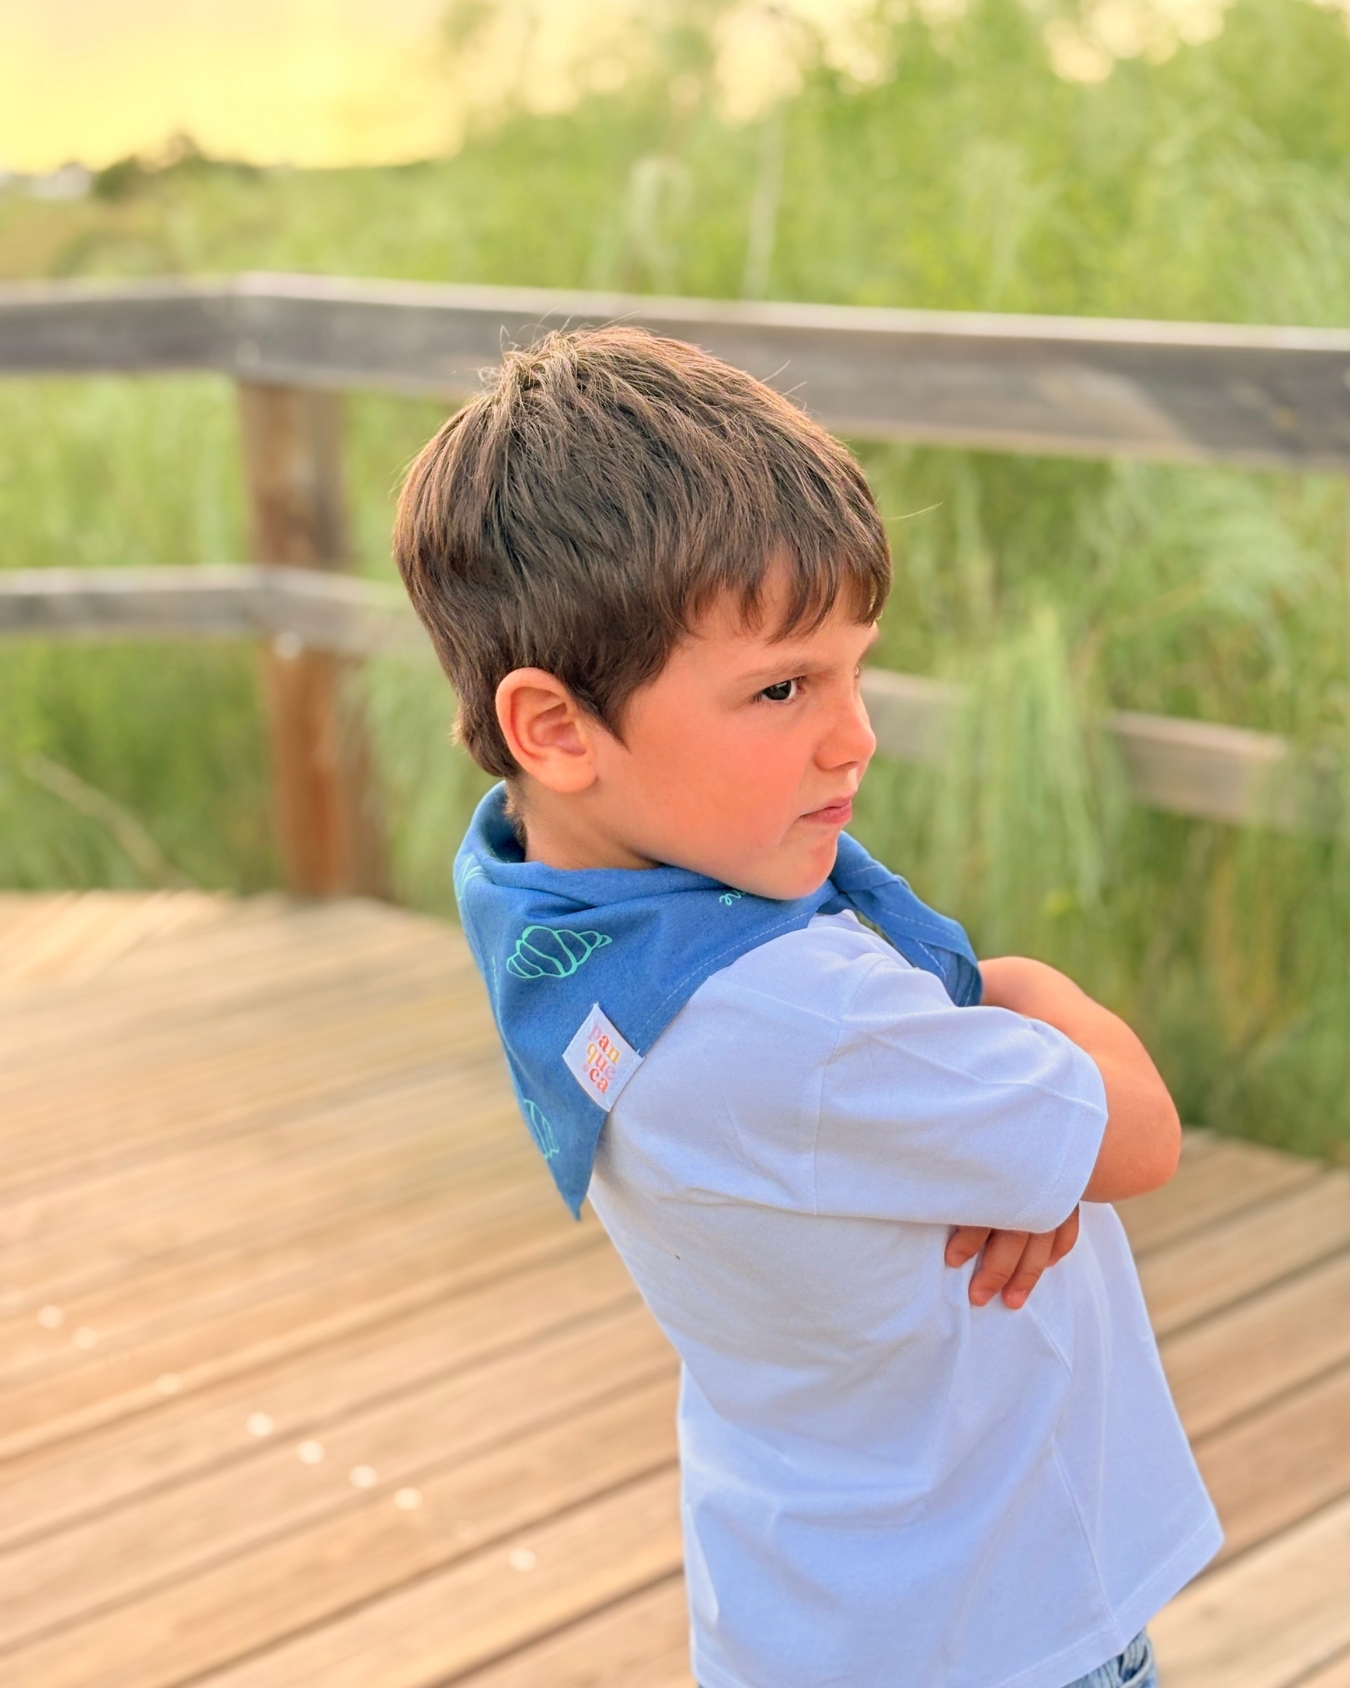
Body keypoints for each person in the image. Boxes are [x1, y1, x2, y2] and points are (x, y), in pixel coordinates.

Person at [393, 325, 1221, 1688]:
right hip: (997, 1620)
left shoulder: (559, 915)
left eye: (854, 669)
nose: (856, 736)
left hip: (818, 1594)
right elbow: (1135, 1137)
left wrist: (990, 1112)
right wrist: (1020, 1000)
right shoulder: (798, 1021)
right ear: (556, 728)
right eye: (782, 688)